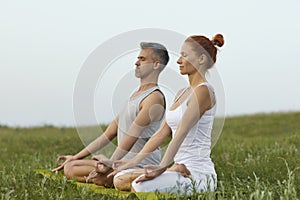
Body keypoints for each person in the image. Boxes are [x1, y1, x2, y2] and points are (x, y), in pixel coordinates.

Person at [110, 34, 224, 194]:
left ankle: (171, 175)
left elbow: (181, 133)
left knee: (138, 185)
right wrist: (131, 162)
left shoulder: (204, 91)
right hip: (178, 169)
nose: (178, 61)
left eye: (184, 56)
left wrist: (162, 167)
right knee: (120, 178)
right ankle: (170, 174)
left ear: (201, 59)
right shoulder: (181, 93)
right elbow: (161, 134)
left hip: (197, 174)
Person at [51, 42, 169, 188]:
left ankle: (108, 179)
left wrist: (111, 164)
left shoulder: (154, 98)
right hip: (120, 163)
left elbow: (131, 136)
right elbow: (108, 134)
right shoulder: (135, 96)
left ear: (156, 65)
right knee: (71, 166)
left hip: (140, 165)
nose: (136, 62)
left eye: (143, 59)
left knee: (74, 171)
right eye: (138, 58)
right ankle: (104, 177)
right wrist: (75, 157)